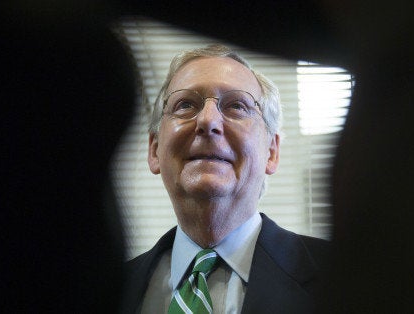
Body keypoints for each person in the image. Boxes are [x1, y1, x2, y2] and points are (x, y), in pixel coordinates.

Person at [121, 44, 330, 314]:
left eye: (236, 106)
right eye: (185, 104)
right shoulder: (106, 290)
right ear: (154, 149)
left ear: (272, 152)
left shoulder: (345, 275)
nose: (208, 121)